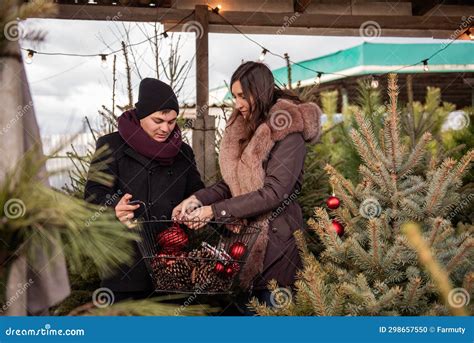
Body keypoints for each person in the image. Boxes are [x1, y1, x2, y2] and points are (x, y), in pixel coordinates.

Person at [172, 62, 321, 313]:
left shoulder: (288, 134)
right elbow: (231, 183)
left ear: (259, 91)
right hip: (244, 247)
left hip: (277, 250)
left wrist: (215, 211)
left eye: (243, 96)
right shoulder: (246, 129)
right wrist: (197, 200)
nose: (238, 103)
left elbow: (275, 193)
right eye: (234, 96)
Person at [84, 78, 204, 302]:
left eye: (171, 121)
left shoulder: (183, 152)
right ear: (141, 116)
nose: (165, 128)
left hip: (172, 266)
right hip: (125, 269)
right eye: (158, 120)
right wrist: (113, 208)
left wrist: (195, 207)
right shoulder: (111, 146)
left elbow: (197, 191)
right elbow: (93, 195)